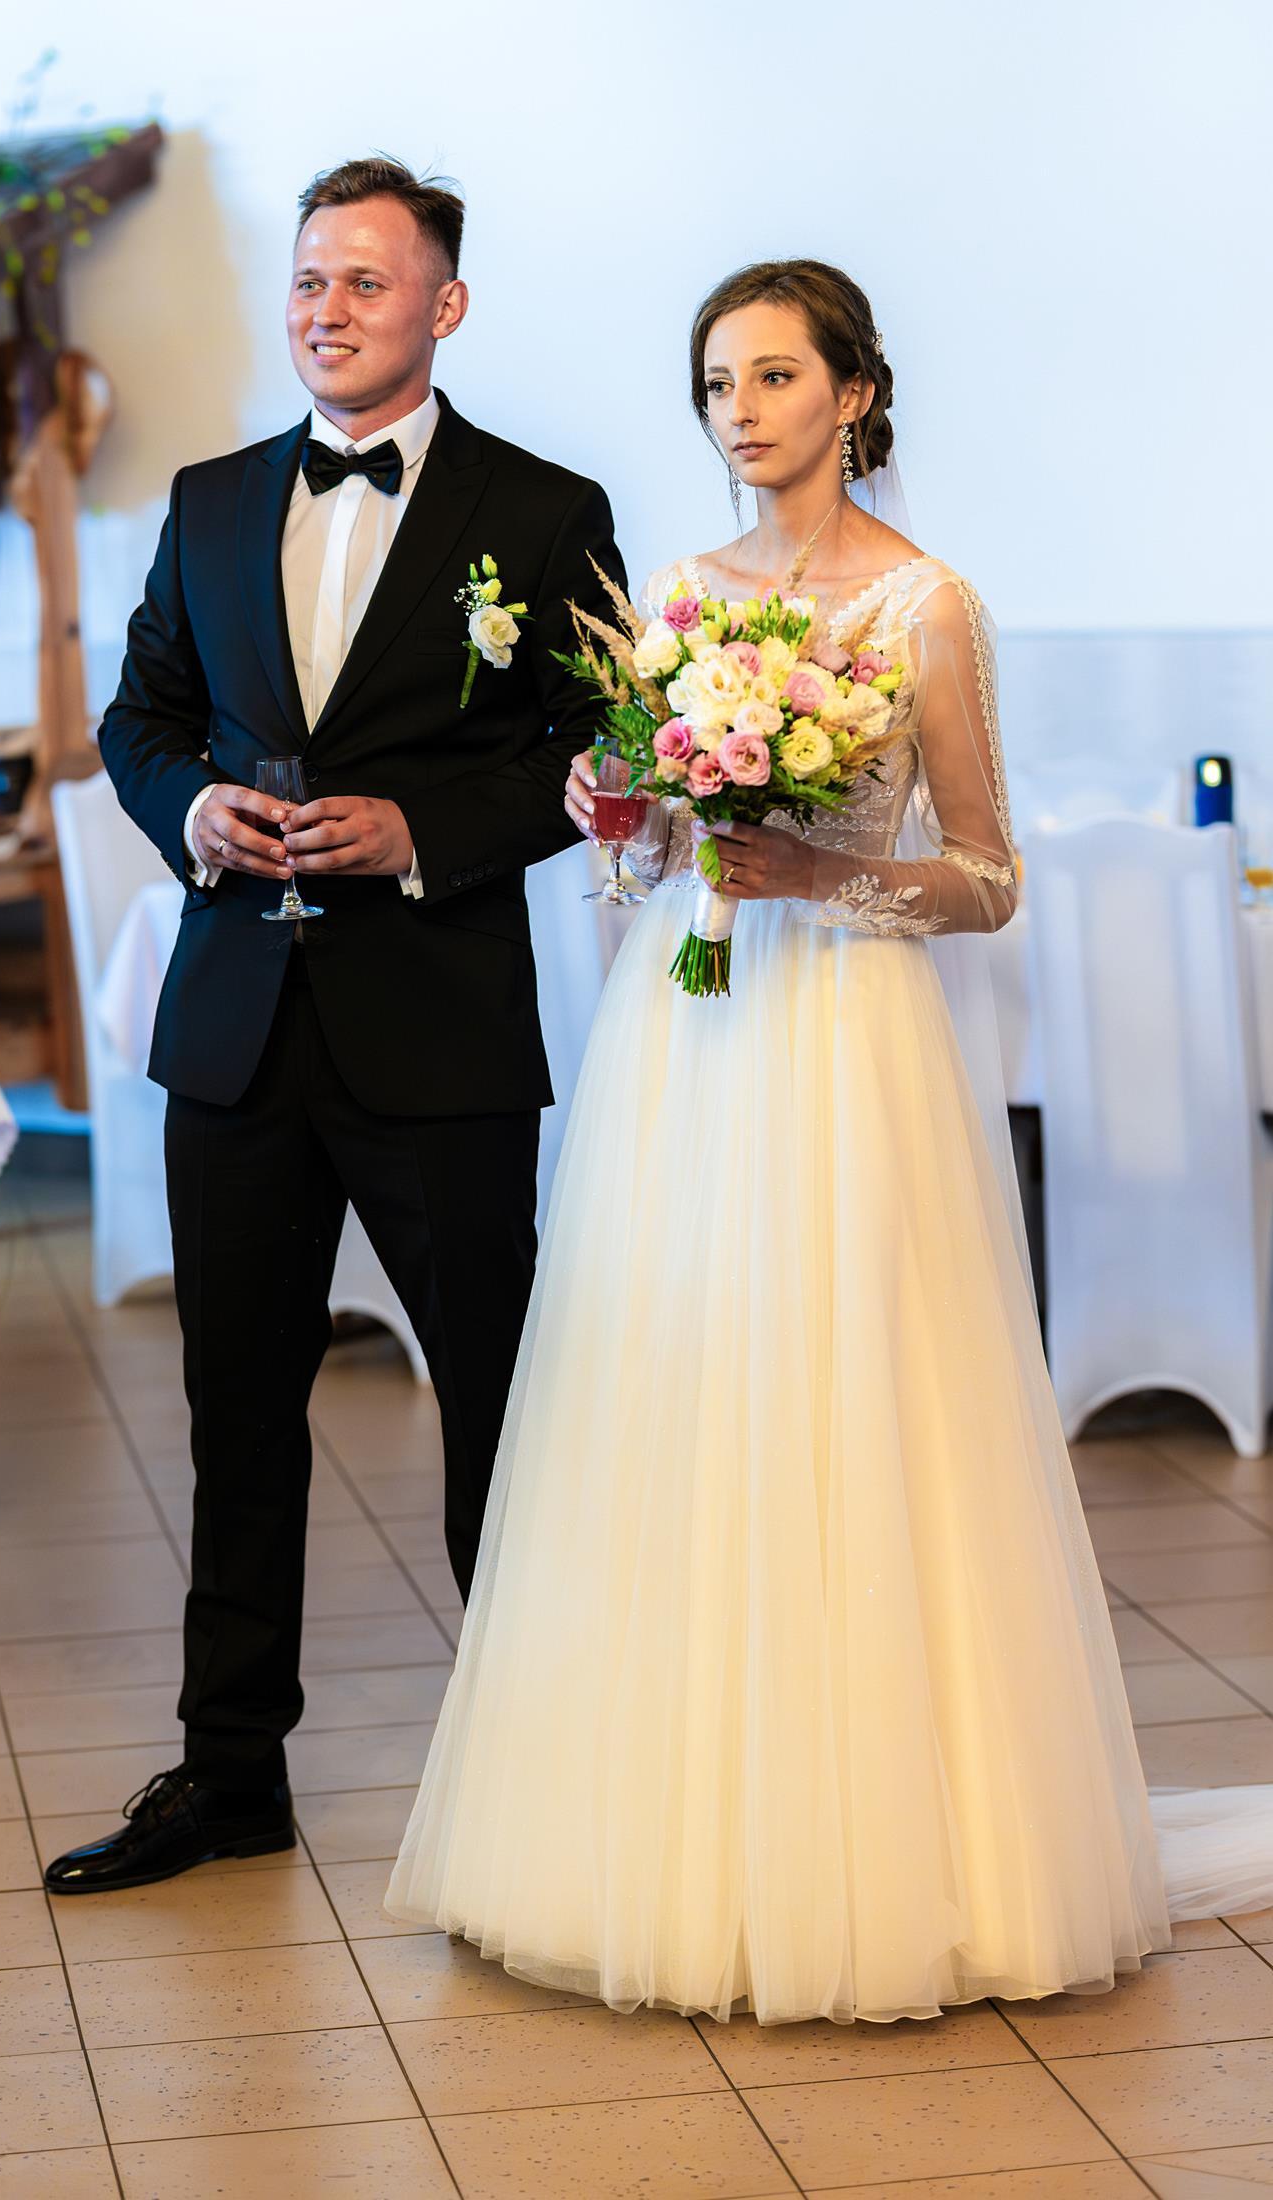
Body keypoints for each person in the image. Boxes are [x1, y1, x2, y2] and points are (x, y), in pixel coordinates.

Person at [384, 258, 1273, 2021]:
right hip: (688, 1037)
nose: (741, 411)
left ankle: (880, 1845)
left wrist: (823, 871)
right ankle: (656, 1834)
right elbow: (652, 855)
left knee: (851, 1396)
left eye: (776, 376)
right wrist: (620, 813)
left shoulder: (926, 604)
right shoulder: (675, 600)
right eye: (718, 382)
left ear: (854, 393)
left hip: (851, 1040)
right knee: (675, 1389)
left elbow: (991, 878)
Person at [43, 158, 625, 1895]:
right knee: (234, 1411)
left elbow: (596, 750)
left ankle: (551, 1773)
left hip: (437, 1025)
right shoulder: (213, 499)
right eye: (309, 279)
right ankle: (231, 1775)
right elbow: (140, 716)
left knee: (496, 1403)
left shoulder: (546, 508)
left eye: (367, 281)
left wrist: (423, 831)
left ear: (446, 306)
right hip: (238, 1025)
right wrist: (190, 808)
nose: (327, 309)